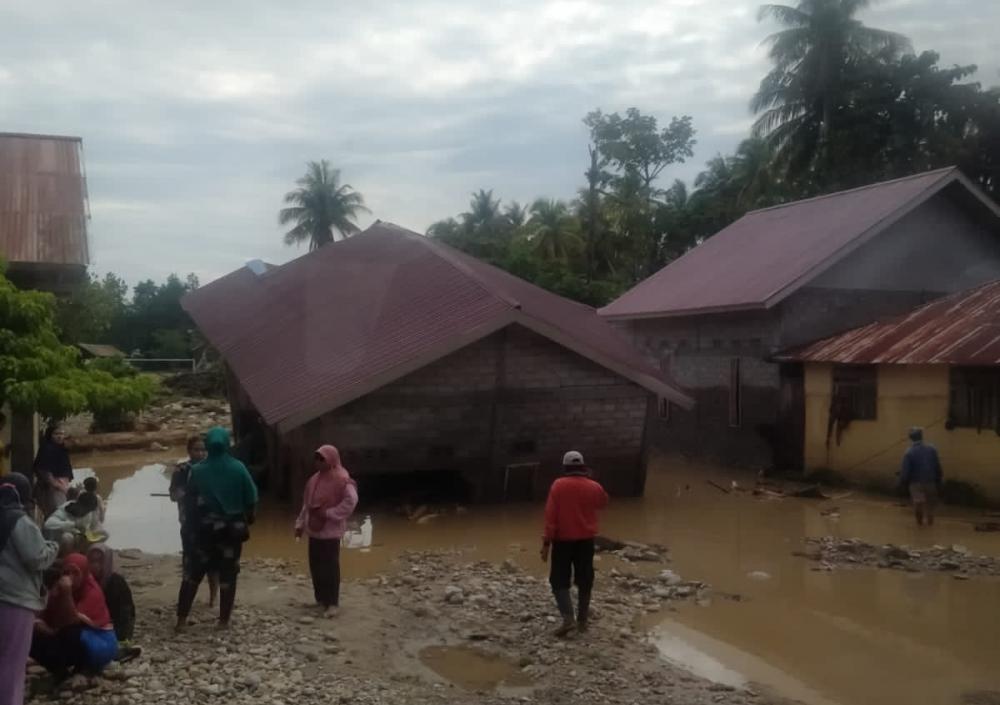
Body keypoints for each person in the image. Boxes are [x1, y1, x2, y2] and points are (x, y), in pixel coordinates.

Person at [175, 427, 258, 631]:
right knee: (228, 575)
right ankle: (223, 621)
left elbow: (190, 501)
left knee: (192, 574)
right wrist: (248, 517)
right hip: (230, 534)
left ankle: (182, 620)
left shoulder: (198, 471)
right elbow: (251, 498)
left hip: (202, 533)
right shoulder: (238, 468)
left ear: (209, 446)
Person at [0, 473, 59, 705]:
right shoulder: (19, 520)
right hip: (15, 601)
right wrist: (53, 545)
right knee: (12, 663)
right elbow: (37, 557)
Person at [541, 451, 609, 636]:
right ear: (583, 466)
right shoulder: (594, 486)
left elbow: (550, 517)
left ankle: (568, 619)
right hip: (586, 541)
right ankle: (583, 620)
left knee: (558, 580)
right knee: (585, 579)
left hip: (562, 541)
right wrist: (591, 482)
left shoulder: (558, 485)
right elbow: (603, 503)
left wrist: (546, 543)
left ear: (565, 467)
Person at [30, 553, 119, 678]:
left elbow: (71, 620)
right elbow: (42, 614)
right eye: (67, 572)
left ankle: (82, 669)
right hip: (66, 633)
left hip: (98, 641)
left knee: (72, 632)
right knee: (32, 636)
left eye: (75, 573)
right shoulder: (58, 587)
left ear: (84, 573)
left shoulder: (92, 591)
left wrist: (66, 593)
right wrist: (41, 624)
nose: (70, 577)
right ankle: (61, 673)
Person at [294, 445, 358, 617]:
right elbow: (306, 505)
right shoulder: (314, 480)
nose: (318, 462)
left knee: (330, 568)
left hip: (330, 533)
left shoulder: (342, 479)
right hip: (314, 531)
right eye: (316, 458)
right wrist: (300, 524)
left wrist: (330, 514)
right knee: (316, 567)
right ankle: (320, 600)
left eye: (322, 458)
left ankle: (333, 604)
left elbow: (351, 501)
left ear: (331, 459)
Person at [169, 434, 217, 607]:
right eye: (197, 450)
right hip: (189, 523)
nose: (201, 454)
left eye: (204, 450)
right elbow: (173, 495)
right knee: (190, 562)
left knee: (213, 563)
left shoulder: (212, 469)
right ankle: (186, 598)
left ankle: (213, 597)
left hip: (211, 523)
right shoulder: (181, 470)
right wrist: (190, 494)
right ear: (189, 451)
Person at [86, 544, 140, 661]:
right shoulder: (86, 581)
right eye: (92, 561)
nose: (95, 565)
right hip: (94, 624)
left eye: (100, 561)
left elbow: (126, 615)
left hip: (116, 626)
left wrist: (120, 637)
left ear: (106, 562)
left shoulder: (116, 582)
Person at [900, 427, 943, 527]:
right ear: (921, 436)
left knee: (918, 504)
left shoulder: (909, 452)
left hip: (915, 483)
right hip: (930, 482)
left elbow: (905, 472)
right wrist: (939, 480)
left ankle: (920, 526)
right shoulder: (932, 449)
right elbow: (938, 467)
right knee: (930, 506)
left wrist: (902, 483)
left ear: (911, 438)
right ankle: (930, 524)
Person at [33, 425, 74, 519]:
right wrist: (56, 485)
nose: (60, 436)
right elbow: (43, 470)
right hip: (52, 488)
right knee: (56, 515)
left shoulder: (60, 448)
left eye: (62, 434)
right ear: (50, 435)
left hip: (61, 486)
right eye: (56, 434)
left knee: (59, 515)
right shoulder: (47, 449)